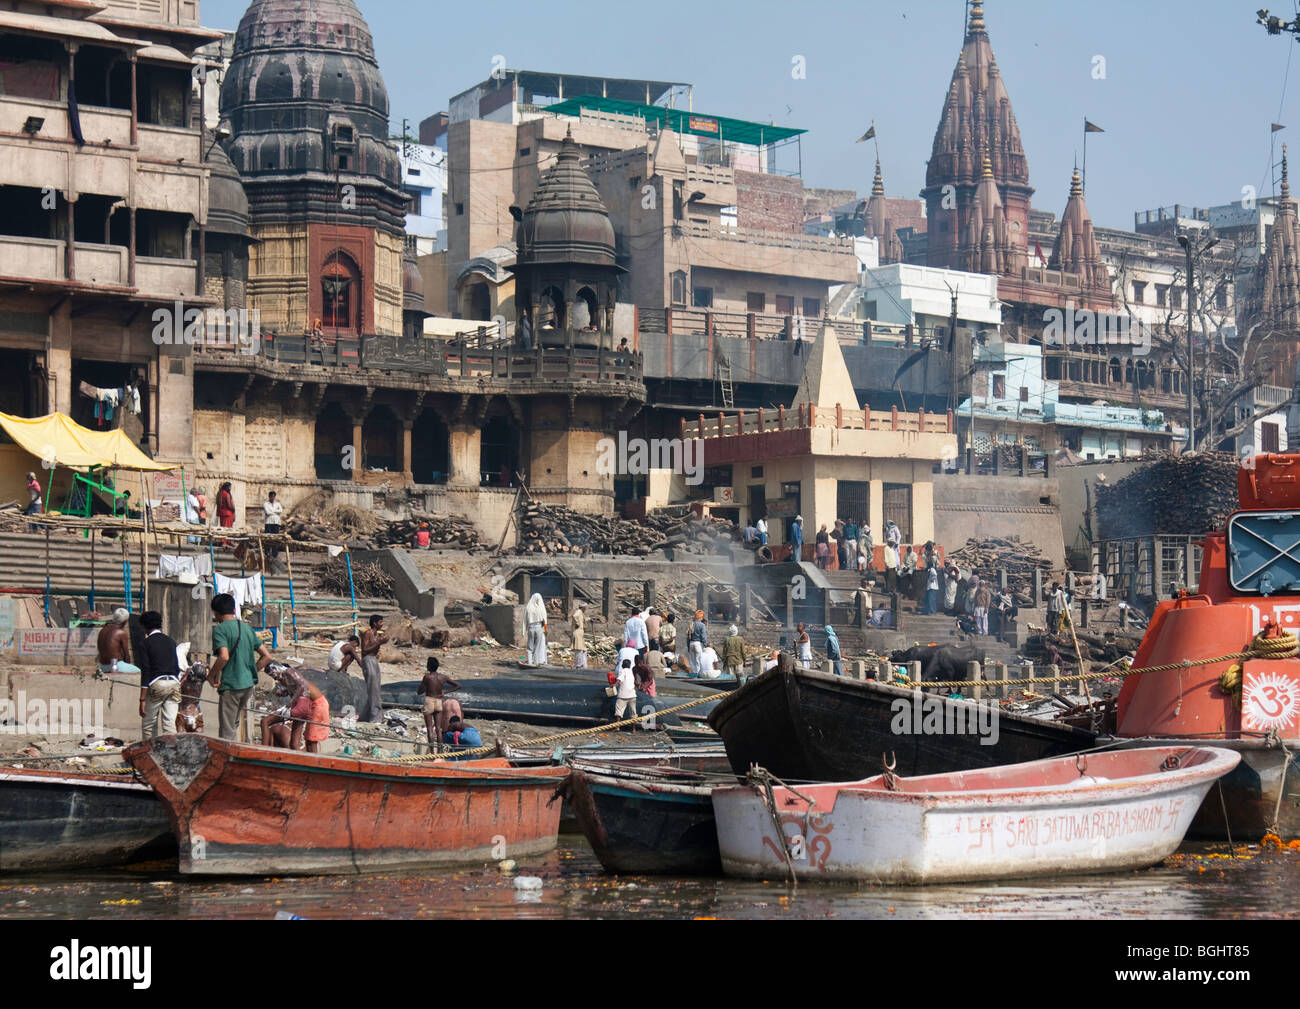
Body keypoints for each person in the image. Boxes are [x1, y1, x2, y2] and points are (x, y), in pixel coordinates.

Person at [209, 592, 271, 741]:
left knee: (227, 731)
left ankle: (227, 761)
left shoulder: (220, 630)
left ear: (216, 613)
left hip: (232, 685)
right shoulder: (247, 628)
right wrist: (251, 672)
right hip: (248, 685)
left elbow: (223, 656)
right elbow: (267, 656)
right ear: (234, 610)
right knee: (234, 725)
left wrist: (211, 675)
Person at [137, 610, 182, 738]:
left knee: (149, 724)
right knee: (169, 724)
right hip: (174, 683)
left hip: (156, 684)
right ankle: (171, 753)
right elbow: (176, 667)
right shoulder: (171, 642)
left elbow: (146, 671)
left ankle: (150, 752)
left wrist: (142, 699)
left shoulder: (145, 644)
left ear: (144, 626)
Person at [418, 655, 461, 747]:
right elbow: (458, 685)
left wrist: (425, 687)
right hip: (438, 701)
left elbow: (419, 692)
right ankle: (440, 750)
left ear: (429, 666)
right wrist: (445, 692)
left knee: (429, 728)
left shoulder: (427, 677)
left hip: (429, 700)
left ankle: (432, 752)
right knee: (438, 728)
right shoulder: (443, 677)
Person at [359, 614, 388, 722]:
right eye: (380, 622)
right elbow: (365, 649)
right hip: (368, 660)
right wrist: (379, 642)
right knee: (373, 688)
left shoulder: (377, 634)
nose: (382, 624)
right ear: (375, 623)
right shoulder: (368, 633)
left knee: (375, 688)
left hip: (374, 660)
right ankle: (375, 717)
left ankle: (366, 716)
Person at [96, 608, 138, 676]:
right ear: (125, 621)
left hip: (103, 667)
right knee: (138, 671)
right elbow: (126, 656)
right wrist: (128, 666)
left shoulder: (102, 630)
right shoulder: (121, 633)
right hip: (117, 666)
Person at [524, 593, 548, 666]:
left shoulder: (528, 607)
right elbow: (545, 621)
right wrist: (545, 630)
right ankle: (536, 662)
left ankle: (529, 662)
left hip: (531, 628)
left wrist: (524, 630)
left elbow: (525, 620)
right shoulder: (541, 608)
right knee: (537, 646)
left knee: (530, 647)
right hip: (539, 628)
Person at [688, 609, 708, 676]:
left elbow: (688, 635)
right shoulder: (702, 625)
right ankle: (698, 675)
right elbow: (703, 636)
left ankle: (693, 675)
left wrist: (688, 645)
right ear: (701, 617)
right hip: (698, 644)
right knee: (698, 661)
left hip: (691, 643)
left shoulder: (692, 624)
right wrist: (705, 644)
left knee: (692, 661)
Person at [571, 602, 588, 668]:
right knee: (579, 649)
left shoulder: (581, 613)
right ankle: (578, 664)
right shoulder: (578, 611)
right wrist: (577, 623)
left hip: (580, 633)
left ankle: (583, 664)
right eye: (585, 608)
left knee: (583, 650)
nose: (586, 609)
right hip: (578, 632)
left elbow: (584, 619)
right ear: (583, 608)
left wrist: (590, 619)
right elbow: (574, 616)